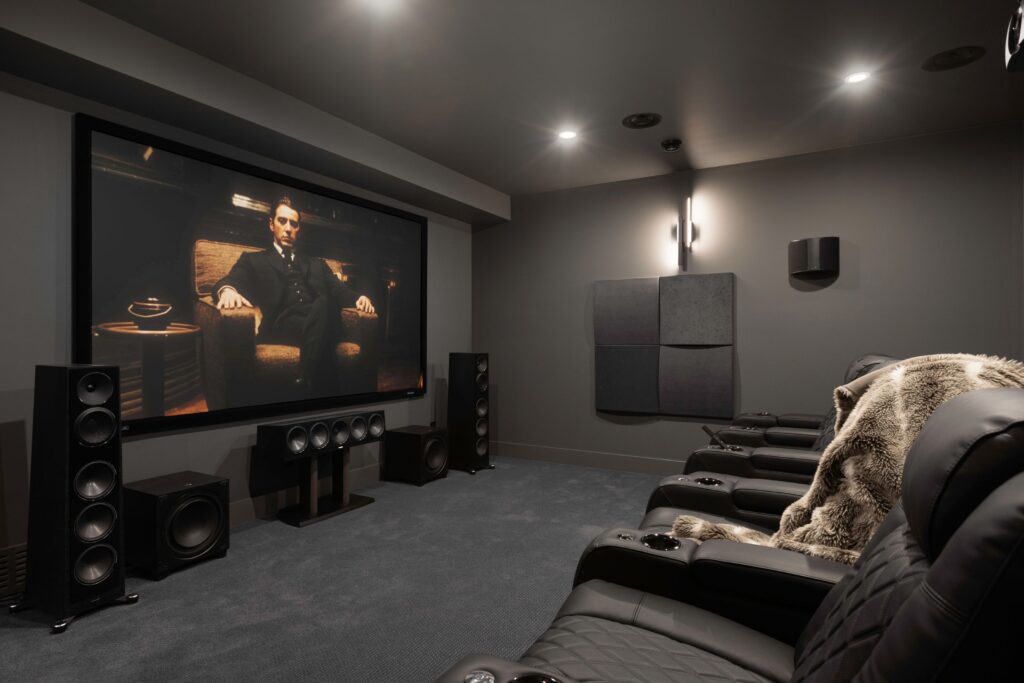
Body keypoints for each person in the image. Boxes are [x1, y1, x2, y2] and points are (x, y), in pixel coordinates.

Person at [215, 196, 375, 395]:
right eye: (282, 221)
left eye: (294, 224)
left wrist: (359, 297)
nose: (288, 228)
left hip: (322, 315)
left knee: (324, 303)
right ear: (271, 224)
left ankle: (305, 377)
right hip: (283, 324)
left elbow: (340, 291)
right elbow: (228, 280)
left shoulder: (318, 264)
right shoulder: (253, 260)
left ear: (298, 230)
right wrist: (228, 290)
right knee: (324, 312)